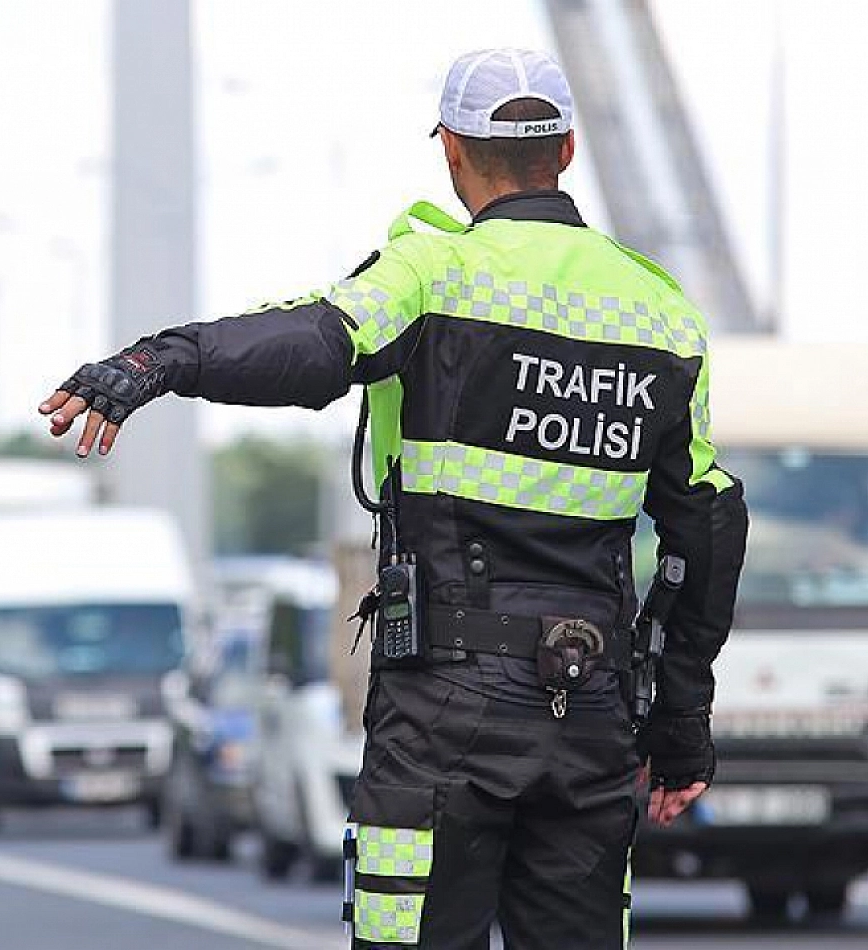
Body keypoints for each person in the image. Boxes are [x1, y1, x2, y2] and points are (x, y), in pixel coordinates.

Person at [39, 48, 747, 949]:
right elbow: (710, 528)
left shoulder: (433, 274)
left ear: (452, 150)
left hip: (446, 709)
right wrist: (680, 725)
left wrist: (158, 361)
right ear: (567, 150)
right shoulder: (663, 315)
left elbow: (309, 343)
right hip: (593, 711)